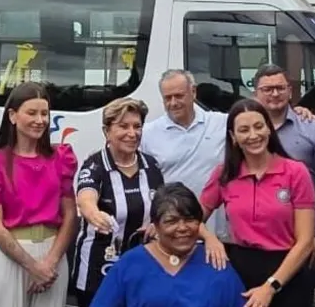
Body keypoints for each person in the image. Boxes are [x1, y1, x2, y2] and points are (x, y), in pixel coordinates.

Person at [72, 97, 225, 306]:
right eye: (123, 126)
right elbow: (86, 198)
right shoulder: (95, 164)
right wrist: (94, 214)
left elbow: (169, 210)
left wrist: (208, 237)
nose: (132, 133)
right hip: (98, 268)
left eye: (137, 126)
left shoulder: (150, 165)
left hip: (140, 268)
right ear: (107, 131)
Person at [141, 69, 315, 242]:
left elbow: (254, 114)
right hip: (178, 233)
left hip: (222, 236)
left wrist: (295, 112)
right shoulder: (148, 133)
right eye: (167, 98)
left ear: (193, 92)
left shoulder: (221, 122)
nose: (174, 103)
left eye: (179, 96)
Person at [0, 81, 78, 307]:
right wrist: (33, 266)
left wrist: (49, 263)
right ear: (13, 116)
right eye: (32, 113)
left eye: (44, 113)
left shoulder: (61, 158)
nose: (40, 120)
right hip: (11, 257)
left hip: (53, 257)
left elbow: (70, 216)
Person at [200, 99, 315, 307]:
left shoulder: (295, 172)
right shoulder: (224, 174)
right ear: (233, 137)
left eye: (259, 126)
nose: (253, 136)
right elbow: (192, 219)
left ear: (269, 130)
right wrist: (209, 238)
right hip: (241, 272)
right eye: (244, 130)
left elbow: (306, 240)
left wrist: (270, 286)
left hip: (288, 272)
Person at [89, 182, 246, 306]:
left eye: (190, 219)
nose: (183, 228)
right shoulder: (130, 264)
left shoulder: (215, 262)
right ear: (155, 226)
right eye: (172, 221)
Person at [252, 65, 315, 274]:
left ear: (290, 91)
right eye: (267, 89)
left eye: (280, 88)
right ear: (256, 93)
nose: (275, 94)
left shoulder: (314, 129)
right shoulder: (245, 131)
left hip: (300, 240)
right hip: (254, 243)